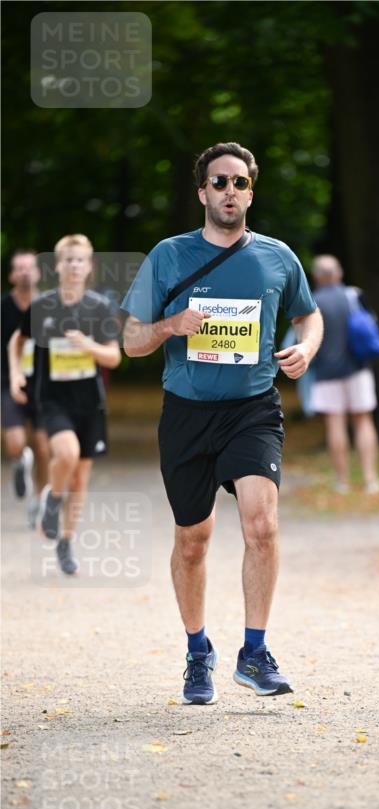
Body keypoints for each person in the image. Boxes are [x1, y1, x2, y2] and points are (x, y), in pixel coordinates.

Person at [121, 140, 322, 706]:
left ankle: (254, 652)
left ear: (250, 192)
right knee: (193, 540)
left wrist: (306, 346)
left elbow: (310, 315)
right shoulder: (168, 255)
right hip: (186, 414)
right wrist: (170, 326)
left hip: (252, 409)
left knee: (262, 524)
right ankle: (197, 653)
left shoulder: (278, 258)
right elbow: (132, 341)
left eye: (239, 182)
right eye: (219, 182)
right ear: (202, 192)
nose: (228, 191)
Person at [8, 234, 121, 574]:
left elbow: (114, 356)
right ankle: (52, 500)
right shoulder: (42, 306)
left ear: (89, 267)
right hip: (52, 400)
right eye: (68, 259)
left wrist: (88, 345)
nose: (74, 265)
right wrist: (15, 375)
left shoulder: (99, 307)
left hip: (89, 404)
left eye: (80, 260)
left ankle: (66, 543)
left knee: (81, 479)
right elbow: (17, 340)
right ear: (56, 266)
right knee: (66, 454)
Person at [310, 255, 379, 494]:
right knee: (363, 421)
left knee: (335, 424)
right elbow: (371, 324)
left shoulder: (312, 302)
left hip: (326, 372)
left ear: (317, 277)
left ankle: (342, 481)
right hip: (357, 368)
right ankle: (371, 479)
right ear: (339, 274)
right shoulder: (353, 295)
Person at [1, 250, 49, 526]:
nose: (25, 273)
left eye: (30, 268)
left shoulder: (49, 306)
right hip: (8, 382)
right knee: (16, 442)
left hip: (43, 385)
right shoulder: (3, 307)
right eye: (19, 268)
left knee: (44, 447)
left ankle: (40, 500)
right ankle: (20, 461)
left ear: (39, 273)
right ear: (11, 275)